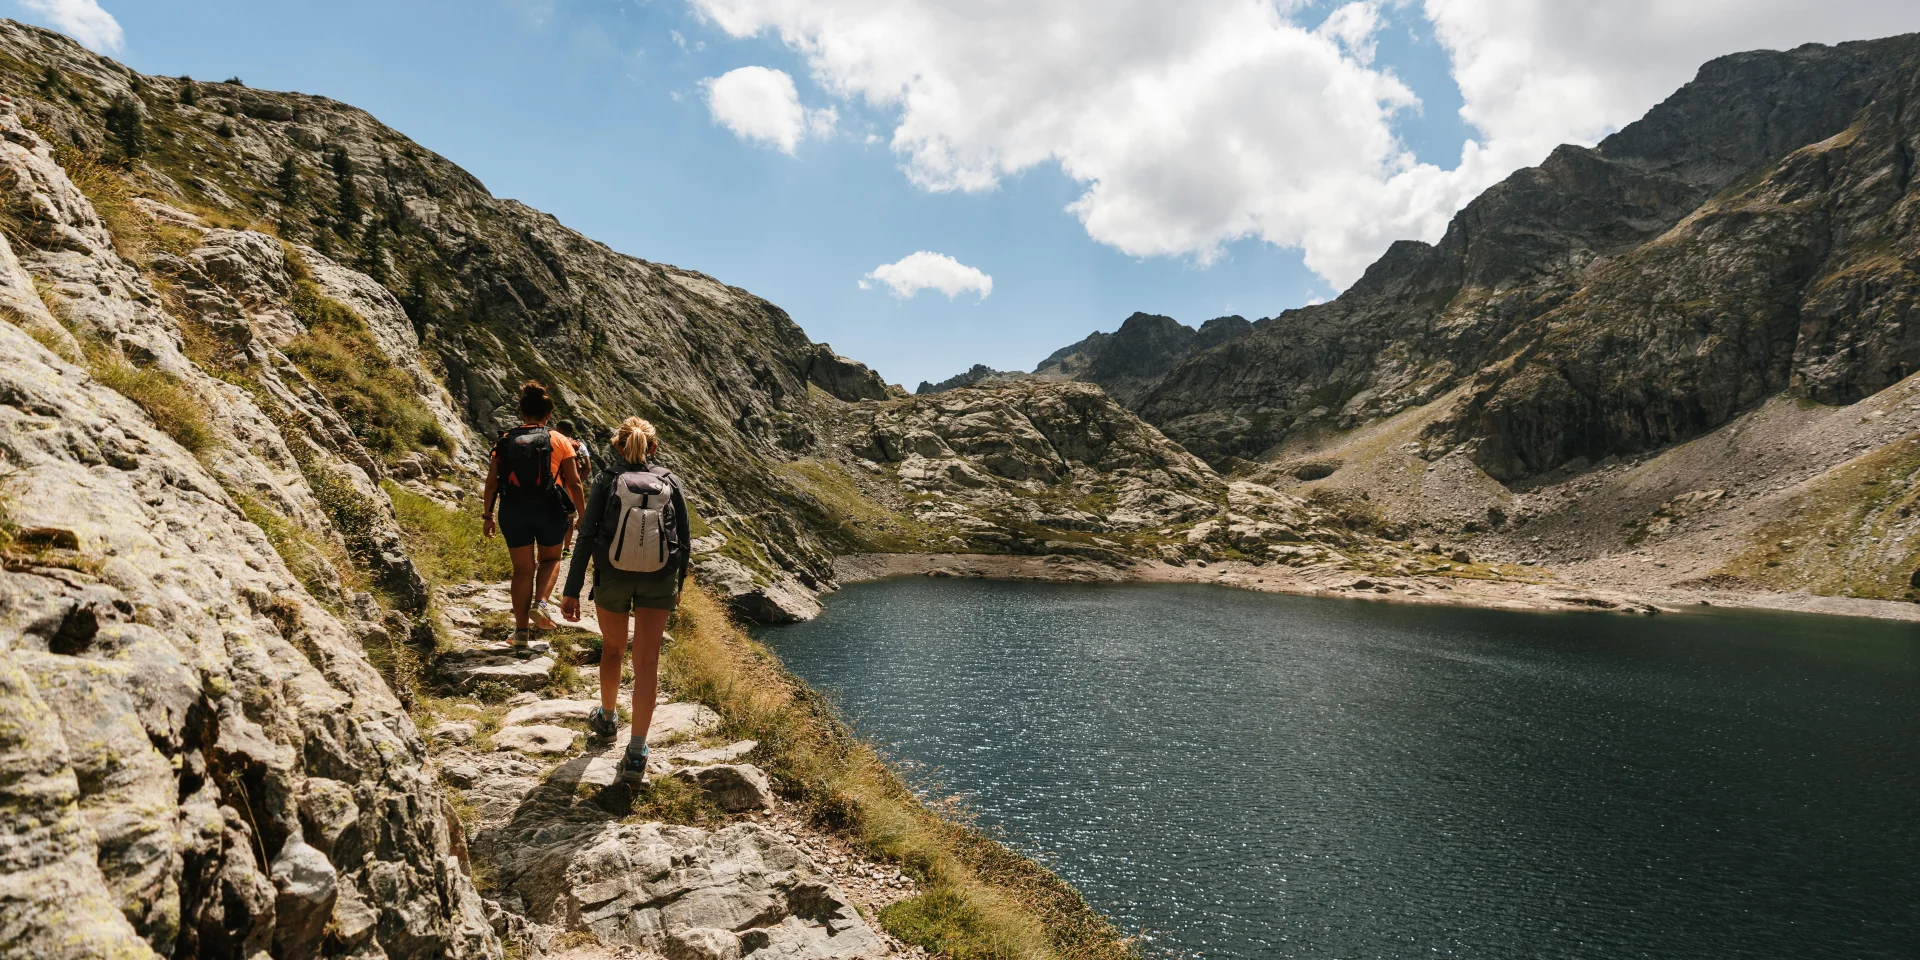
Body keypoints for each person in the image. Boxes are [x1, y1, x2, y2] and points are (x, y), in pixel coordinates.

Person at [560, 416, 691, 784]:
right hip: (659, 578)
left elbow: (586, 537)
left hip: (612, 577)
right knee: (647, 661)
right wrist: (677, 584)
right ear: (655, 447)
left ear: (617, 446)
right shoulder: (670, 481)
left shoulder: (606, 480)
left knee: (613, 649)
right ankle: (636, 751)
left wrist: (571, 590)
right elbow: (684, 538)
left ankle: (606, 719)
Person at [480, 382, 585, 652]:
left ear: (522, 413)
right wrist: (583, 516)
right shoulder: (559, 440)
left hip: (513, 510)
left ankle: (521, 633)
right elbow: (574, 483)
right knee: (550, 558)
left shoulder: (504, 440)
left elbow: (492, 483)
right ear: (548, 416)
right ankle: (541, 604)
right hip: (549, 509)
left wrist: (488, 515)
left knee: (522, 570)